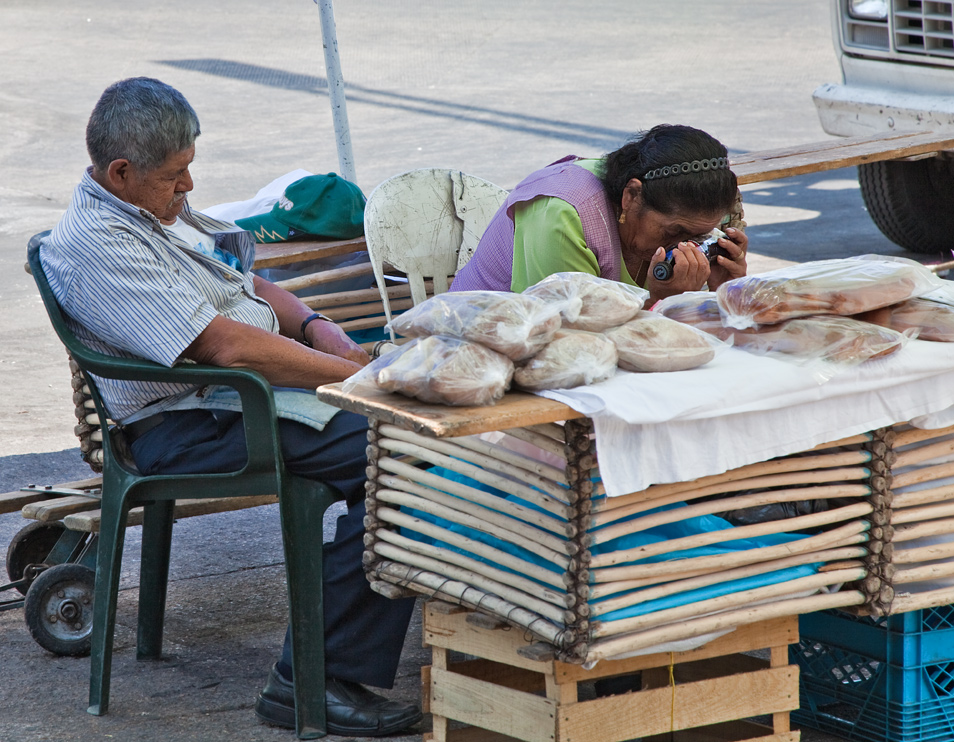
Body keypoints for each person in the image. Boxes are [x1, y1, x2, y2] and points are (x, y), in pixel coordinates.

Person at [40, 77, 421, 738]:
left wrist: (319, 327)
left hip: (235, 402)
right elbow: (226, 347)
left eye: (190, 170)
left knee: (413, 448)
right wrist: (352, 378)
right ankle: (313, 681)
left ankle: (332, 659)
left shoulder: (147, 209)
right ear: (122, 172)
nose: (188, 188)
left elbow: (244, 282)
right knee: (404, 456)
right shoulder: (100, 245)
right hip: (189, 426)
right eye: (175, 176)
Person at [450, 124, 749, 303]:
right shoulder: (561, 212)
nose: (683, 247)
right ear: (631, 196)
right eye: (674, 232)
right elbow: (568, 338)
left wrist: (722, 291)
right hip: (480, 349)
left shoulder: (668, 224)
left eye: (700, 237)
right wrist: (666, 303)